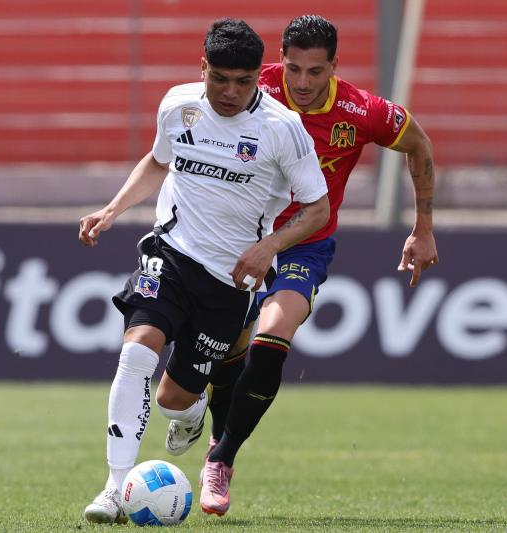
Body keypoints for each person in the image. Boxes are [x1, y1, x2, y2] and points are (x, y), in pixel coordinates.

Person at [164, 15, 439, 516]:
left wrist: (423, 227)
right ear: (280, 64)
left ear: (335, 67)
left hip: (303, 245)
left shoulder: (362, 111)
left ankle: (221, 457)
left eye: (316, 71)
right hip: (237, 238)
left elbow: (419, 144)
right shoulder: (251, 85)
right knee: (227, 354)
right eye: (294, 70)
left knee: (273, 338)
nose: (303, 83)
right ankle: (206, 417)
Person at [77, 18, 330, 524]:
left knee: (174, 398)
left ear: (260, 75)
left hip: (229, 281)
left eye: (244, 81)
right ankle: (112, 488)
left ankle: (190, 415)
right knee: (137, 348)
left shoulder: (282, 129)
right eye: (220, 78)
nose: (231, 92)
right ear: (203, 68)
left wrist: (269, 249)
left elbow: (318, 209)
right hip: (170, 253)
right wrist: (113, 208)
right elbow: (157, 161)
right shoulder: (178, 105)